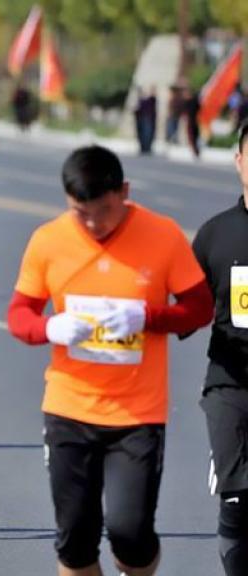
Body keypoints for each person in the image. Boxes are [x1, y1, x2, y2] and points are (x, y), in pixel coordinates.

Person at [6, 145, 213, 576]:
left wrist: (147, 316)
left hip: (137, 415)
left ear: (124, 191)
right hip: (69, 409)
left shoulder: (163, 235)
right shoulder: (49, 240)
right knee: (76, 541)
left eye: (103, 210)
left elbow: (199, 308)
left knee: (130, 533)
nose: (94, 224)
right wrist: (49, 328)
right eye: (81, 213)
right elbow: (18, 315)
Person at [191, 122, 248, 576]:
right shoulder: (216, 235)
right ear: (239, 162)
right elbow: (189, 308)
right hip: (231, 384)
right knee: (238, 501)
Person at [134, 87, 158, 155]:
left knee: (147, 134)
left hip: (147, 118)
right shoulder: (141, 101)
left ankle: (146, 148)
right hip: (142, 119)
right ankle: (144, 148)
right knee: (143, 134)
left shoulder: (151, 100)